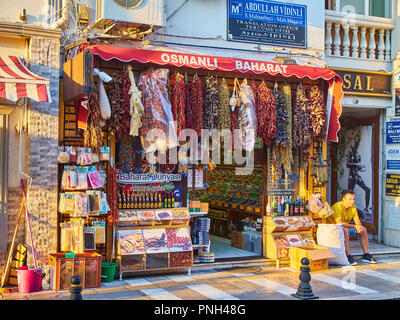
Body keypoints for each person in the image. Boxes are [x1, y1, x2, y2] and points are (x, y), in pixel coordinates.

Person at [326, 189, 377, 266]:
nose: (352, 201)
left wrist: (359, 227)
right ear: (343, 199)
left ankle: (366, 255)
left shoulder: (353, 207)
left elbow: (358, 222)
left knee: (363, 230)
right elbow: (339, 223)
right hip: (333, 229)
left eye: (353, 199)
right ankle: (348, 256)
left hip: (342, 227)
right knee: (346, 230)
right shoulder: (337, 206)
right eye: (350, 199)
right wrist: (354, 226)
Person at [346, 136, 371, 220]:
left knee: (368, 189)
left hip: (357, 176)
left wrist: (362, 167)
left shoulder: (358, 154)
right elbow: (347, 164)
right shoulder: (350, 152)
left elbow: (360, 168)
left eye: (358, 142)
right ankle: (347, 211)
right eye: (356, 142)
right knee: (348, 194)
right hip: (352, 176)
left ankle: (366, 207)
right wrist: (356, 165)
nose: (357, 144)